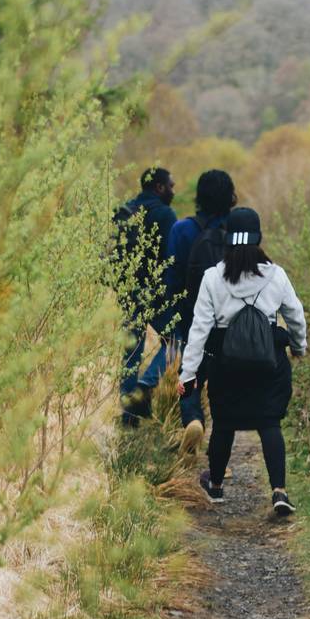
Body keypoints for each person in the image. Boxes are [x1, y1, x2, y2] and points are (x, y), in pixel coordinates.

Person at [177, 207, 307, 516]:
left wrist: (188, 373)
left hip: (226, 362)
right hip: (269, 362)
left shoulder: (213, 277)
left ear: (226, 240)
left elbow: (199, 329)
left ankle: (217, 486)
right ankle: (279, 490)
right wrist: (299, 347)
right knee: (269, 422)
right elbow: (295, 316)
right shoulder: (276, 275)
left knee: (224, 422)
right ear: (259, 238)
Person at [165, 169, 237, 452]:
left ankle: (193, 421)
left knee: (190, 375)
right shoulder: (236, 228)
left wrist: (171, 322)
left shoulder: (182, 230)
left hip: (192, 316)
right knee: (224, 384)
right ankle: (219, 448)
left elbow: (171, 279)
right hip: (230, 319)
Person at [118, 167, 177, 426]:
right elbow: (171, 255)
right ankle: (145, 386)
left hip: (127, 289)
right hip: (156, 291)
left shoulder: (124, 211)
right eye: (171, 185)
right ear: (160, 187)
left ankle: (128, 415)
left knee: (131, 351)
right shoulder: (165, 214)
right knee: (177, 341)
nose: (174, 190)